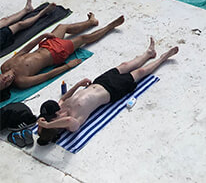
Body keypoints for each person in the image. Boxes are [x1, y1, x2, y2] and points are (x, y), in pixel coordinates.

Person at [35, 38, 178, 146]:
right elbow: (69, 121)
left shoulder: (59, 108)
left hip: (98, 82)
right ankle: (163, 58)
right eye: (46, 124)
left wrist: (78, 85)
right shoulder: (72, 124)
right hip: (112, 91)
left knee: (124, 65)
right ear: (52, 126)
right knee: (140, 72)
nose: (45, 121)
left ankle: (148, 54)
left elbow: (64, 97)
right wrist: (47, 126)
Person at [0, 14, 124, 99]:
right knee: (83, 38)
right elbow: (46, 76)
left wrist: (41, 37)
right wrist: (67, 66)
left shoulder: (5, 65)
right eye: (6, 84)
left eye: (3, 80)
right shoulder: (21, 81)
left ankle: (91, 22)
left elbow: (24, 50)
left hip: (45, 45)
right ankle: (110, 26)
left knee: (62, 27)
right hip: (56, 53)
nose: (7, 80)